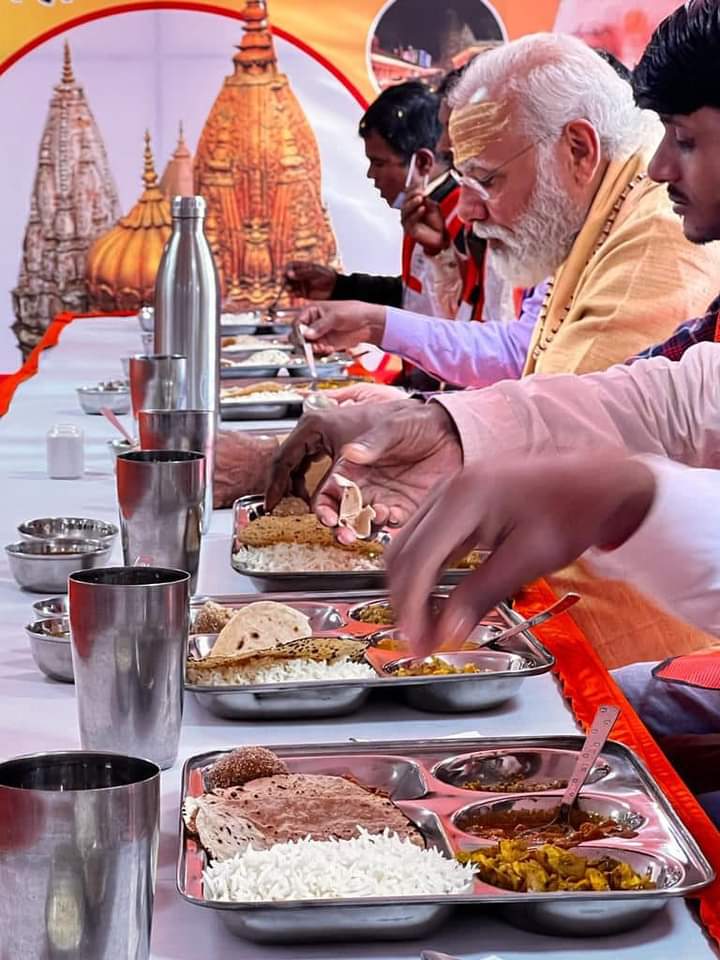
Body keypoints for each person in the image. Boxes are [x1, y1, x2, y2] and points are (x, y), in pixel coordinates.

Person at [293, 34, 720, 391]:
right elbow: (527, 353)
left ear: (578, 150)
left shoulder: (656, 229)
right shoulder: (588, 215)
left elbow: (572, 428)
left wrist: (431, 422)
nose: (467, 210)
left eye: (488, 180)